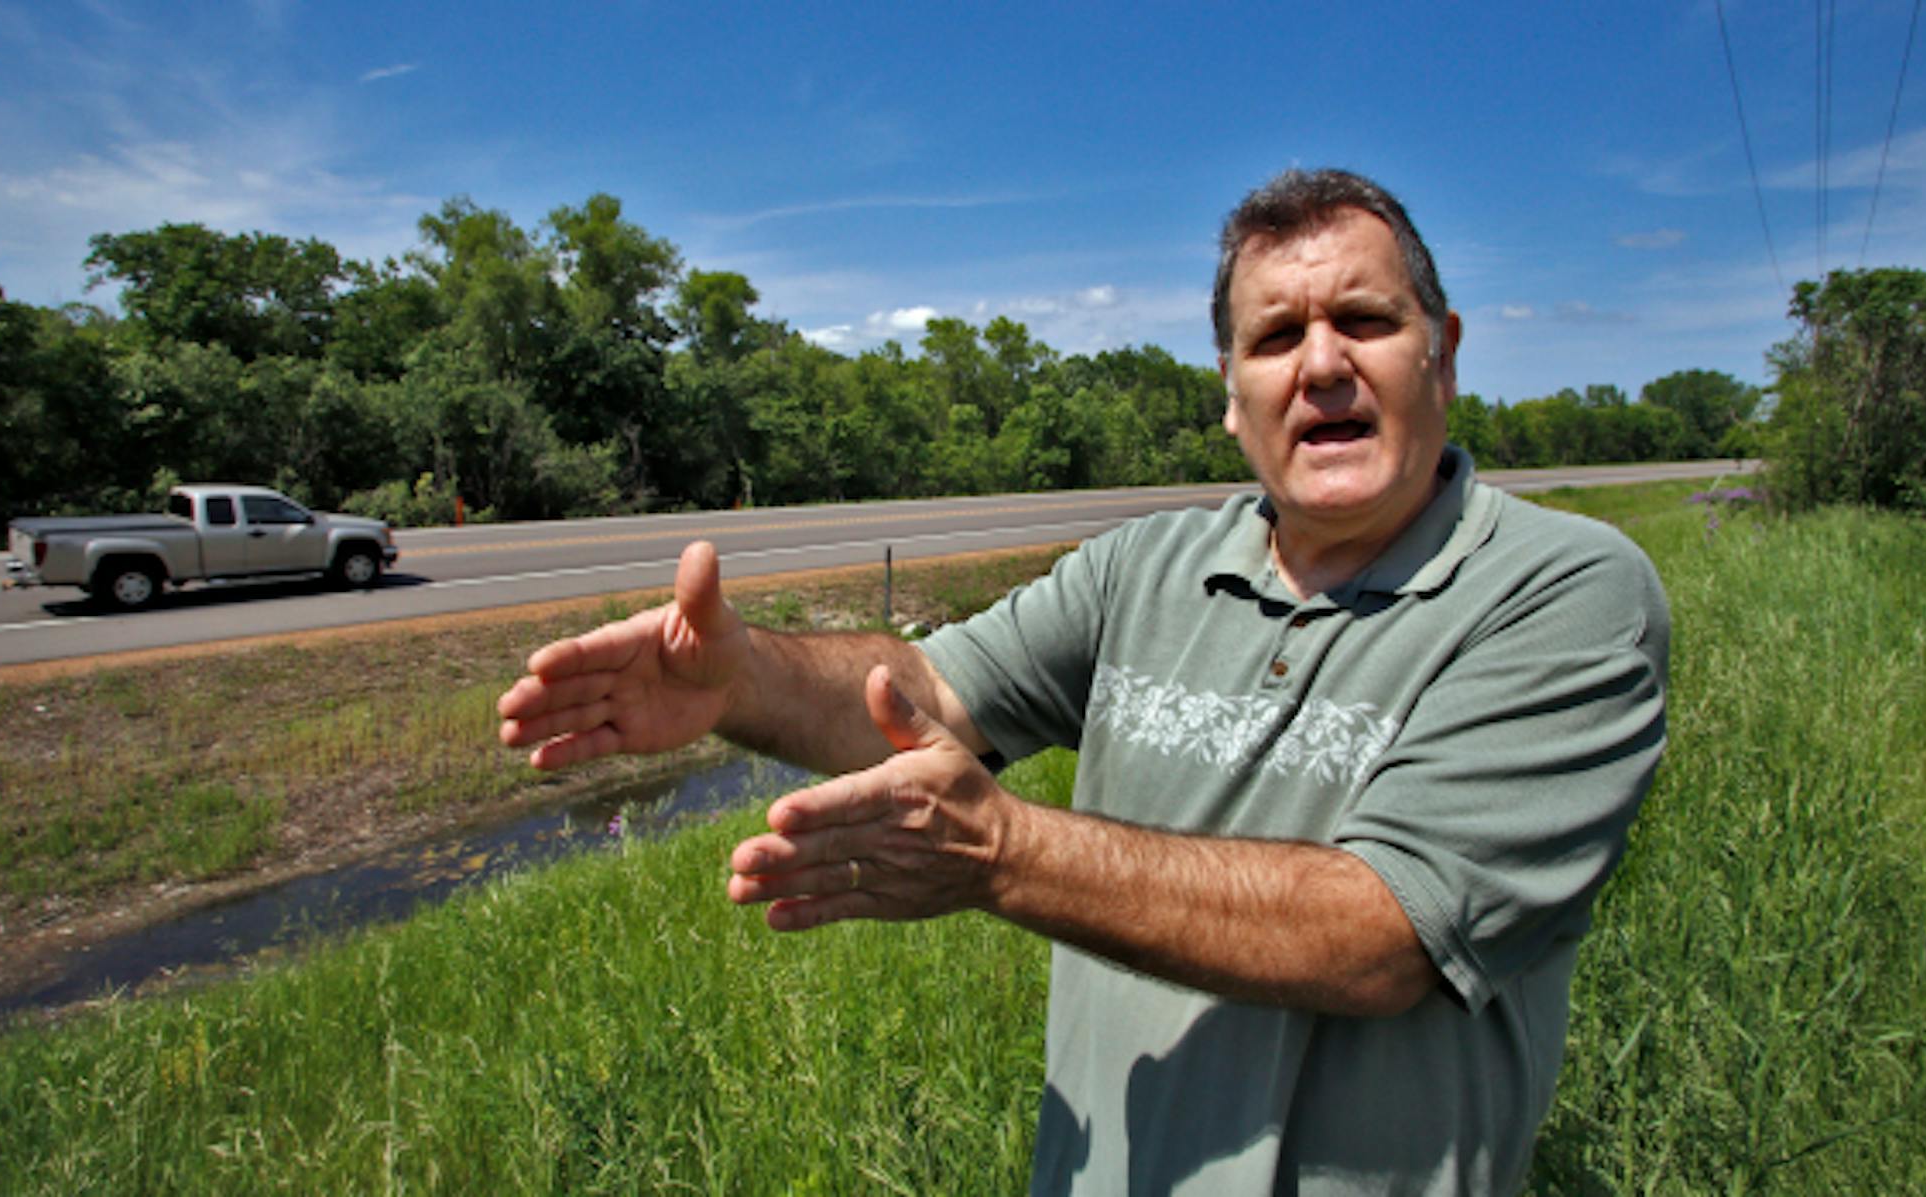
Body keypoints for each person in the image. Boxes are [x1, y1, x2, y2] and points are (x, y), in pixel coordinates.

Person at [497, 168, 1669, 1194]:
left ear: (1443, 351)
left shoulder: (1562, 592)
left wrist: (1005, 852)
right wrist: (743, 679)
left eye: (1365, 319)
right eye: (1274, 339)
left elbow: (1384, 932)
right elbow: (926, 695)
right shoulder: (1142, 568)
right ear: (1231, 394)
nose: (1322, 365)